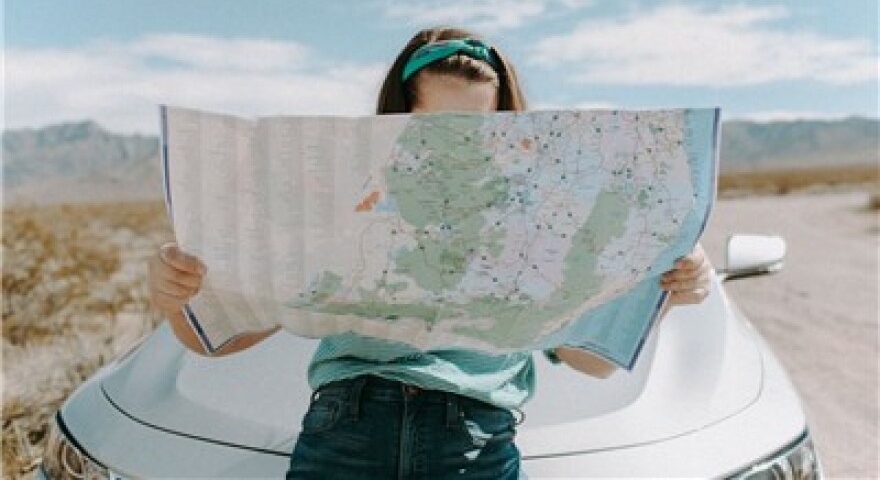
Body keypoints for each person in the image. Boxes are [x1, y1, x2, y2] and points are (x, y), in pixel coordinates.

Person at [148, 26, 714, 479]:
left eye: (475, 127)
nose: (453, 143)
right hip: (346, 430)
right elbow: (221, 339)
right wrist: (177, 295)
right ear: (397, 120)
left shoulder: (542, 209)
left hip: (475, 443)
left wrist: (661, 293)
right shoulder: (343, 196)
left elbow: (589, 361)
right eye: (433, 125)